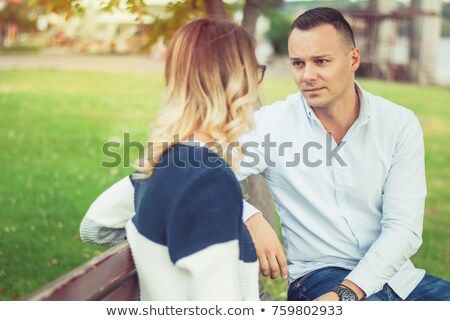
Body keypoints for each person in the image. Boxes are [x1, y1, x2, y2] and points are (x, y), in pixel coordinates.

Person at [81, 8, 450, 301]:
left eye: (321, 61)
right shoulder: (269, 126)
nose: (306, 76)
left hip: (396, 277)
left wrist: (349, 293)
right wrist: (250, 214)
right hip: (318, 277)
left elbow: (403, 229)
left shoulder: (398, 124)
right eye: (297, 63)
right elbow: (205, 179)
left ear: (354, 59)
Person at [81, 18, 264, 300]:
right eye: (256, 72)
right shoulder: (210, 180)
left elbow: (95, 226)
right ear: (239, 78)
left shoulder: (158, 165)